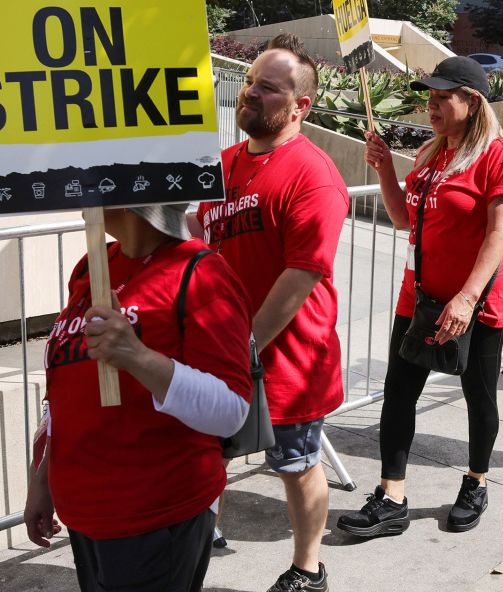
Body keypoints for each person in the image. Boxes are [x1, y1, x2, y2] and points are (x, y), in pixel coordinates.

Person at [336, 57, 503, 536]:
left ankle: (476, 481)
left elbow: (498, 235)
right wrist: (384, 170)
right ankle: (391, 496)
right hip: (418, 300)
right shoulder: (430, 153)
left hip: (477, 306)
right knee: (399, 395)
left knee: (478, 397)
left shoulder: (500, 155)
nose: (432, 105)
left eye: (444, 97)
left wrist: (466, 299)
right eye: (431, 97)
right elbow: (405, 220)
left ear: (473, 101)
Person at [24, 204, 253, 592]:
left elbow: (231, 410)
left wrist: (139, 357)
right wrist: (43, 478)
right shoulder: (89, 267)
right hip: (85, 512)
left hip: (156, 517)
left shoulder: (201, 273)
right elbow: (66, 388)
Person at [195, 34, 349, 592]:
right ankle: (198, 545)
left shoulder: (315, 175)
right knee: (206, 455)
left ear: (300, 105)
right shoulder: (224, 163)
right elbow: (199, 236)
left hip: (287, 360)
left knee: (297, 464)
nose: (250, 94)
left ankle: (308, 568)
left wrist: (247, 344)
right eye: (250, 83)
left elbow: (303, 273)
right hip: (220, 350)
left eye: (268, 87)